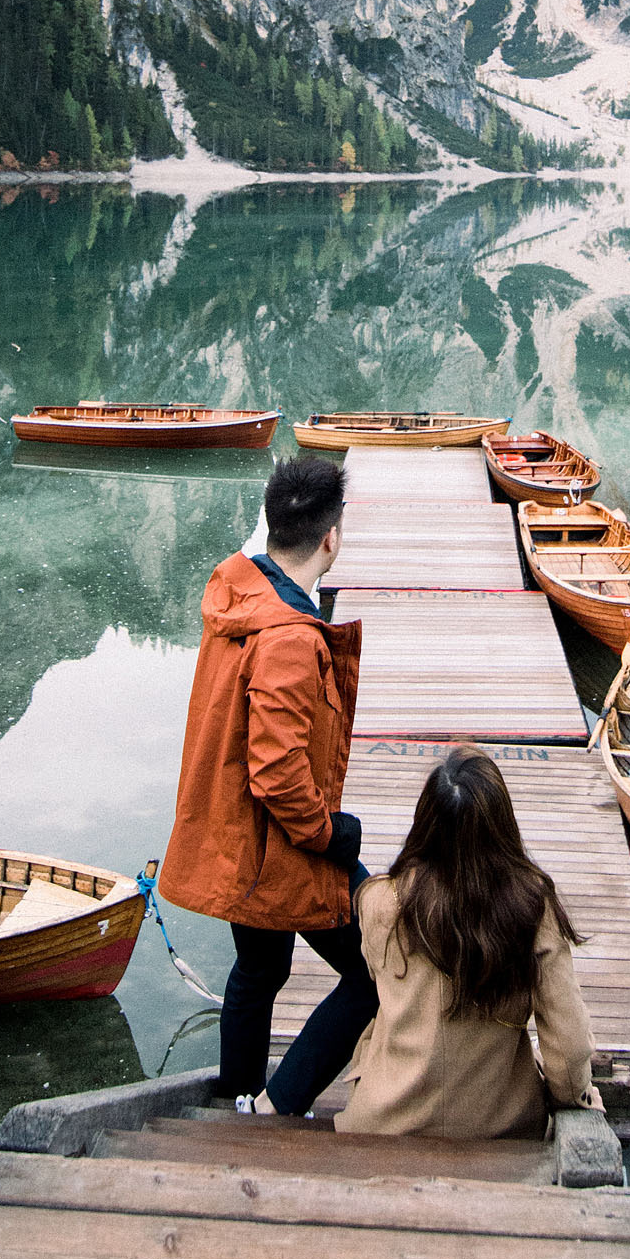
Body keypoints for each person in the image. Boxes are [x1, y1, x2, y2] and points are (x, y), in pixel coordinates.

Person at [157, 453, 377, 1116]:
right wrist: (330, 834)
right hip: (275, 843)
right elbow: (278, 772)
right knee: (374, 969)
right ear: (331, 538)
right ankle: (278, 1104)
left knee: (260, 969)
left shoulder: (241, 591)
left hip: (237, 833)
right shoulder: (288, 639)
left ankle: (236, 1092)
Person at [336, 743, 601, 1138]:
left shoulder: (380, 903)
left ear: (424, 822)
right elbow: (567, 1047)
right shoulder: (532, 911)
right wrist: (577, 1097)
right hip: (500, 1129)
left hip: (383, 1122)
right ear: (502, 826)